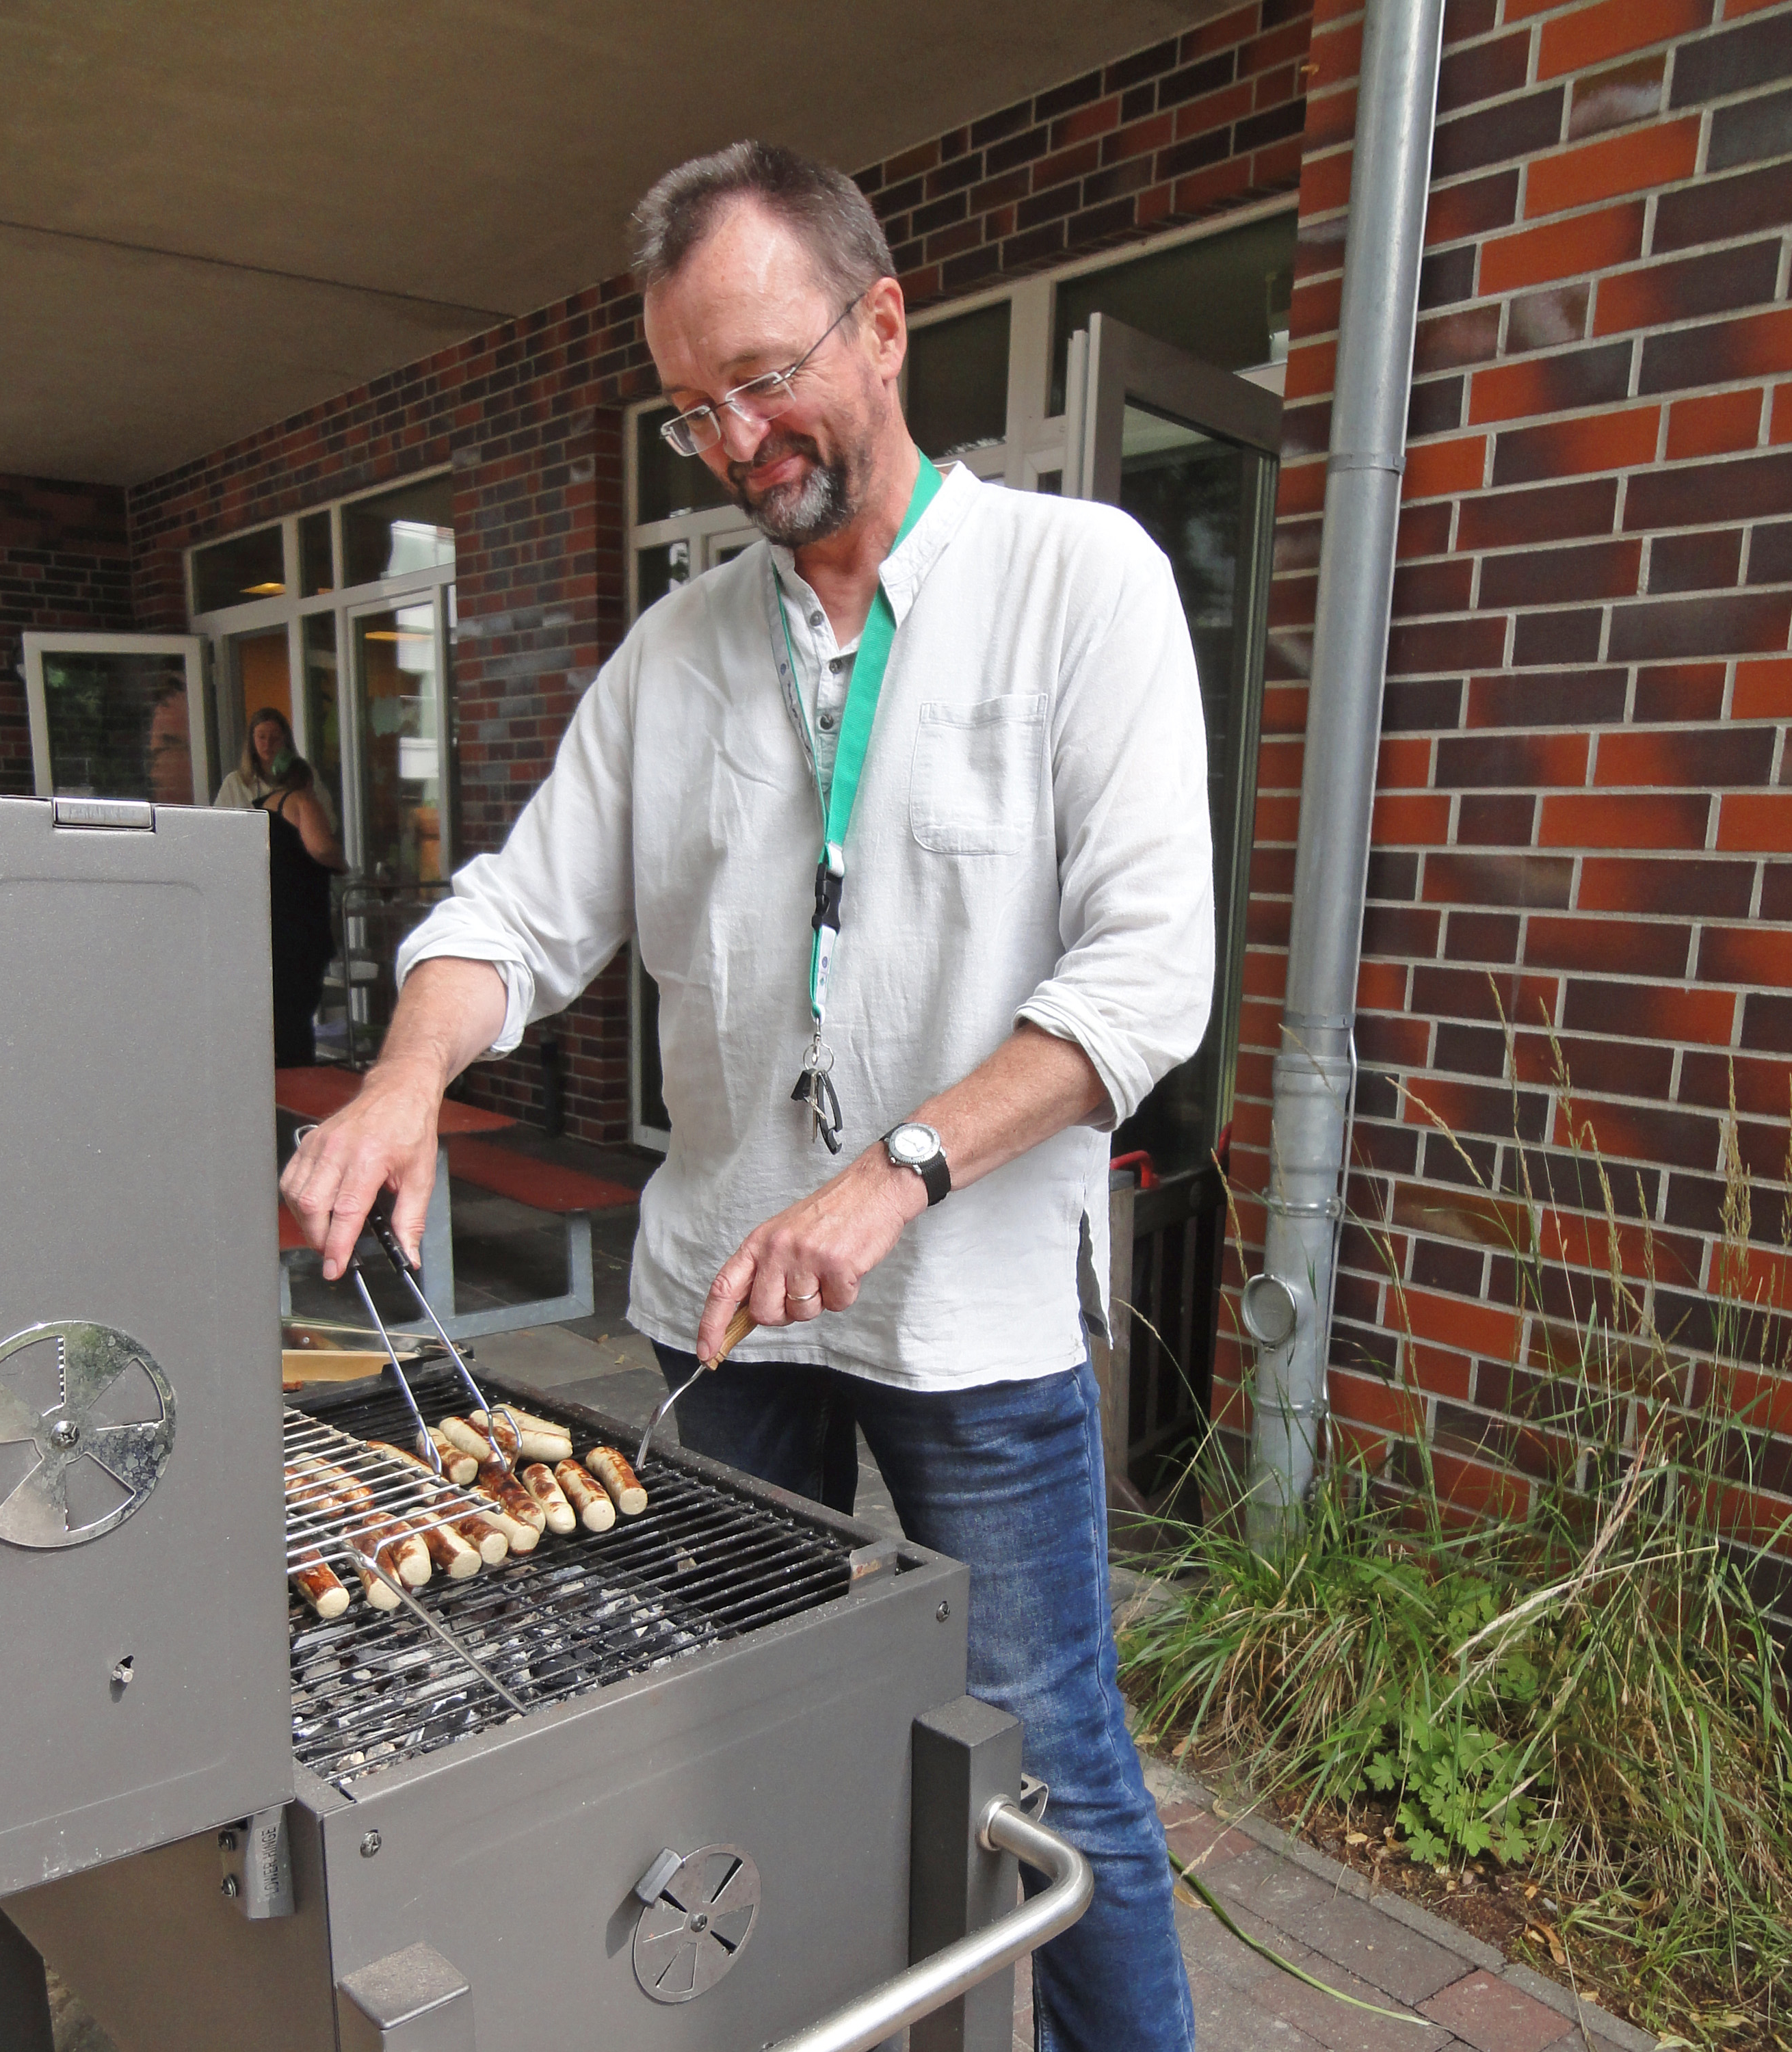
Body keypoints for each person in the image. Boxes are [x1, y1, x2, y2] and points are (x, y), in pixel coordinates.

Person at [281, 140, 1210, 2052]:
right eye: (691, 405)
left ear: (884, 325)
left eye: (764, 377)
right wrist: (400, 1081)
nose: (732, 440)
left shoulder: (1078, 583)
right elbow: (514, 916)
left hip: (968, 1317)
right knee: (724, 1740)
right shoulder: (675, 654)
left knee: (1047, 1760)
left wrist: (894, 1175)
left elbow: (1145, 981)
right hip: (724, 1304)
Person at [259, 754, 345, 1066]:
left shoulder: (260, 808)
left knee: (278, 1010)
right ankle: (299, 1071)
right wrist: (343, 863)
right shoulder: (302, 801)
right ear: (308, 780)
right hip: (299, 921)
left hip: (269, 918)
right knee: (299, 1006)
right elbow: (320, 847)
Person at [216, 704, 338, 821]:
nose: (268, 744)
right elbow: (220, 824)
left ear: (285, 740)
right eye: (262, 737)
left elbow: (329, 819)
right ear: (252, 741)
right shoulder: (234, 783)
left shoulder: (304, 775)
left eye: (275, 738)